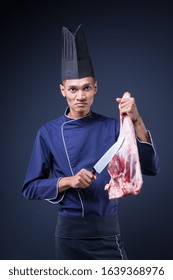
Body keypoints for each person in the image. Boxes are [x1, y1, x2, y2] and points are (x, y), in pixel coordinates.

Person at [22, 24, 159, 260]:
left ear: (95, 87)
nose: (80, 96)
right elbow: (30, 188)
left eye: (86, 87)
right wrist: (69, 181)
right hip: (69, 236)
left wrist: (136, 120)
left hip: (107, 233)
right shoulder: (48, 132)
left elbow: (150, 168)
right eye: (73, 89)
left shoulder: (113, 127)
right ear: (62, 90)